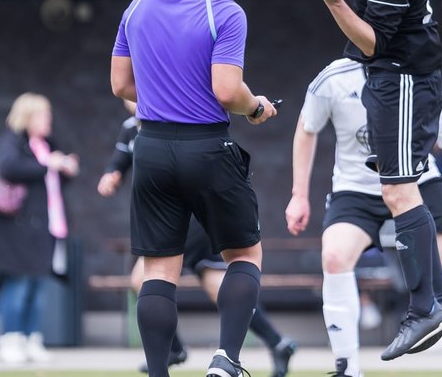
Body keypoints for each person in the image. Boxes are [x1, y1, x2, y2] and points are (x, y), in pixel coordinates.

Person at [110, 0, 278, 377]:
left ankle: (160, 373)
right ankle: (226, 360)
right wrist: (255, 106)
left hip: (152, 149)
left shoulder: (138, 6)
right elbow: (227, 91)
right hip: (206, 146)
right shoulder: (224, 12)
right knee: (244, 254)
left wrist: (165, 92)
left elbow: (120, 85)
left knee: (159, 271)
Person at [313, 0, 442, 361]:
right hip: (393, 81)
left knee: (399, 191)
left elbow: (375, 43)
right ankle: (440, 296)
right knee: (400, 189)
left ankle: (425, 306)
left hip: (402, 82)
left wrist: (337, 8)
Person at [288, 57, 442, 377]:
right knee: (334, 256)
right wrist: (299, 194)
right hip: (356, 189)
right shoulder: (334, 78)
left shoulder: (420, 76)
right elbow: (306, 128)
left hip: (418, 182)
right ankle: (347, 368)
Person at [98, 100, 297, 376]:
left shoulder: (179, 115)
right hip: (175, 207)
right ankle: (274, 342)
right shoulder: (132, 128)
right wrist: (111, 175)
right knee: (218, 286)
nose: (132, 102)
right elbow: (118, 161)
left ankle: (175, 350)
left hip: (190, 217)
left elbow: (226, 92)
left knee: (148, 278)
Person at [0, 92, 79, 365]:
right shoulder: (12, 141)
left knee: (38, 285)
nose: (48, 120)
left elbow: (53, 182)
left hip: (46, 226)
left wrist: (65, 167)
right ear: (27, 117)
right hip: (16, 229)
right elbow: (8, 167)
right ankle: (10, 338)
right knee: (17, 284)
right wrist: (47, 164)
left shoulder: (47, 144)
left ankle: (32, 338)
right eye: (43, 115)